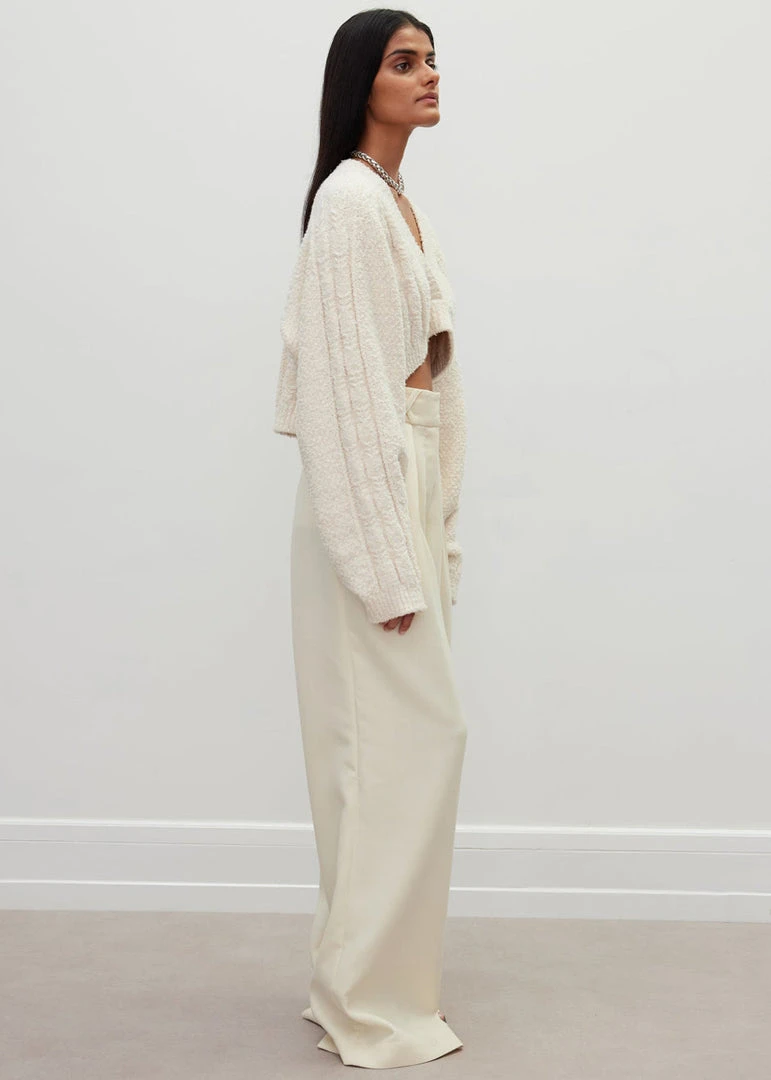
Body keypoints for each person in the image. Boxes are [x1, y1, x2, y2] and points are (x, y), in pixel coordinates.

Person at [273, 8, 468, 1069]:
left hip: (398, 486)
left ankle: (354, 984)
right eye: (404, 62)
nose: (428, 74)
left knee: (383, 755)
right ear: (361, 81)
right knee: (406, 746)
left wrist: (436, 529)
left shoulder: (390, 198)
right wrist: (384, 563)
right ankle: (371, 1007)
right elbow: (344, 397)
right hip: (367, 502)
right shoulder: (349, 202)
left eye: (432, 59)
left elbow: (427, 390)